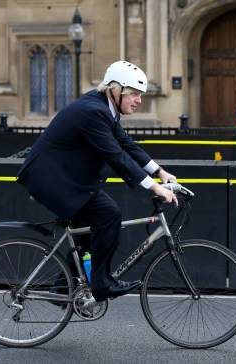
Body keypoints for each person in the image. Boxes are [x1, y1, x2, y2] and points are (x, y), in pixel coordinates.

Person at [16, 61, 178, 302]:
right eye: (133, 93)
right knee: (109, 215)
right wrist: (153, 187)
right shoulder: (93, 112)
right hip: (53, 180)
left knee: (87, 235)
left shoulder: (104, 108)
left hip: (69, 179)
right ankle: (101, 284)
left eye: (140, 95)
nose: (138, 100)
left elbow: (126, 144)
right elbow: (116, 156)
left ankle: (63, 287)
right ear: (115, 89)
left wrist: (160, 172)